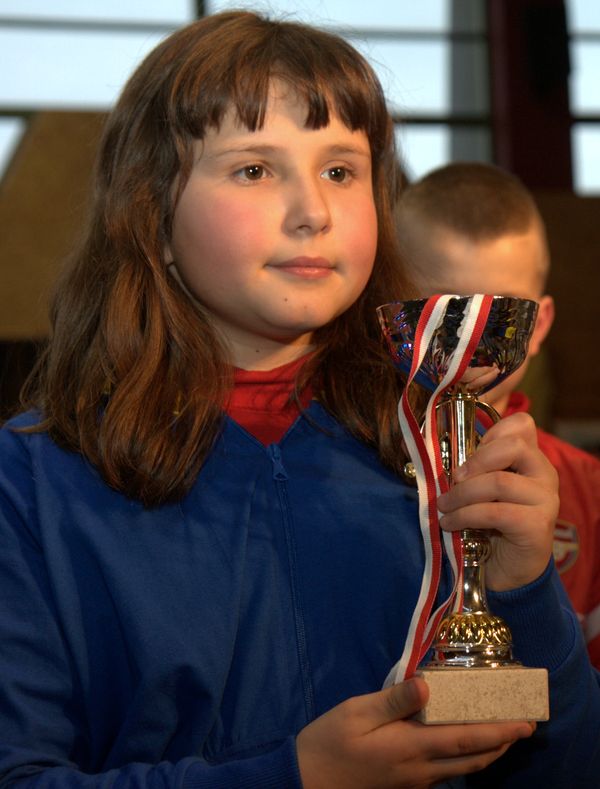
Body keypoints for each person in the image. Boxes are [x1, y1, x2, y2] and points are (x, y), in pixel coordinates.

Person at [0, 12, 597, 788]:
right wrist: (298, 776)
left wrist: (524, 594)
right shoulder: (33, 482)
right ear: (155, 217)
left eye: (341, 171)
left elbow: (569, 769)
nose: (313, 211)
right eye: (254, 169)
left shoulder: (449, 446)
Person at [395, 161, 600, 669]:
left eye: (499, 318)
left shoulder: (590, 492)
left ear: (540, 323)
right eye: (445, 314)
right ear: (391, 314)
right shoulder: (338, 469)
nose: (468, 344)